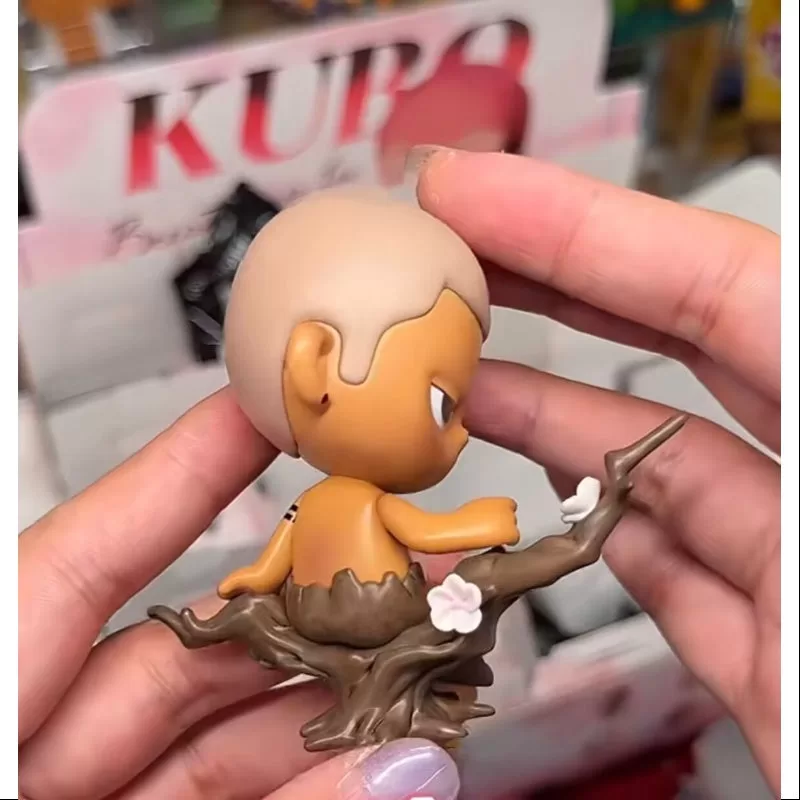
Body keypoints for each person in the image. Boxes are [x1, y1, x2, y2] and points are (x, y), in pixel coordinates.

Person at [18, 150, 780, 800]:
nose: (459, 432)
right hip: (370, 610)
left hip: (336, 618)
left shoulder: (315, 506)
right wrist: (479, 523)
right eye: (443, 400)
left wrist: (256, 582)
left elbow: (282, 555)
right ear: (316, 369)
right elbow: (414, 532)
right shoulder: (350, 506)